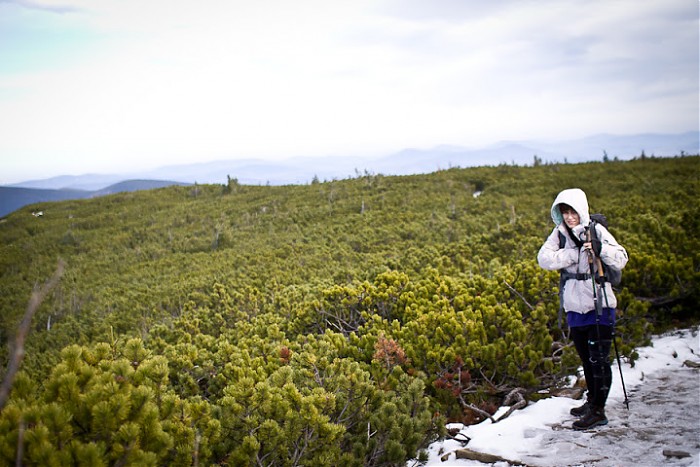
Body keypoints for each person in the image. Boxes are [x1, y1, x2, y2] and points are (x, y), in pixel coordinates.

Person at [537, 188, 628, 430]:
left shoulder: (597, 230)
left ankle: (599, 410)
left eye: (572, 212)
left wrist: (599, 249)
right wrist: (572, 254)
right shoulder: (559, 234)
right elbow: (544, 259)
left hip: (600, 304)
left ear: (581, 210)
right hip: (575, 307)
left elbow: (621, 258)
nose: (569, 217)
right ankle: (592, 402)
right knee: (586, 360)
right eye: (564, 212)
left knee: (599, 359)